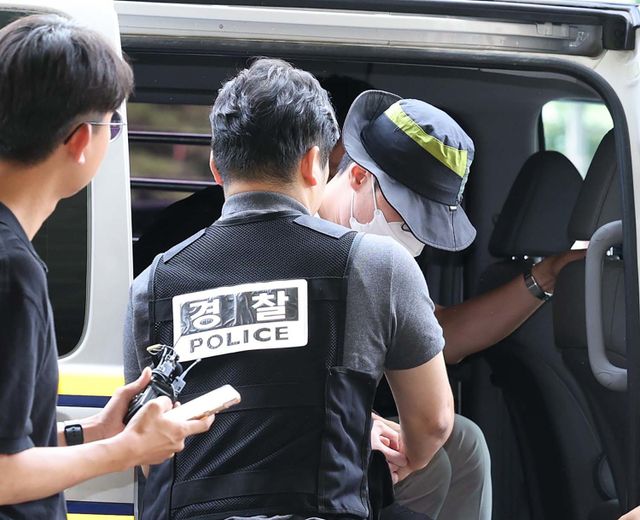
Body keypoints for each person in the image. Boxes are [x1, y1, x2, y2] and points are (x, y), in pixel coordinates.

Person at [124, 58, 454, 520]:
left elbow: (144, 449)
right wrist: (409, 458)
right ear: (313, 164)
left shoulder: (151, 285)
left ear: (216, 168)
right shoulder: (377, 265)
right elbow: (433, 422)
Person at [318, 89, 584, 519]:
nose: (411, 242)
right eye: (407, 222)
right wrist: (348, 424)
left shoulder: (378, 261)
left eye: (423, 231)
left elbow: (439, 337)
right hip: (293, 440)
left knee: (463, 443)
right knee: (425, 465)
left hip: (342, 420)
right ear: (359, 177)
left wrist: (547, 275)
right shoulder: (295, 243)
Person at [0, 14, 214, 519]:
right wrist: (126, 450)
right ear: (79, 140)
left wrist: (95, 432)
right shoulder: (12, 271)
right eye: (111, 125)